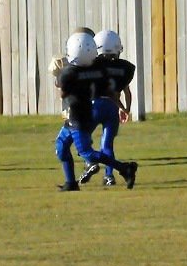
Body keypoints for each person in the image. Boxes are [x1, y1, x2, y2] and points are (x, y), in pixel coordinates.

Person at [54, 32, 138, 191]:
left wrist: (59, 76)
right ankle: (71, 183)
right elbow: (110, 90)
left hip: (79, 117)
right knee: (62, 146)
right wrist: (122, 107)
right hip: (84, 113)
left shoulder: (69, 73)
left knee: (87, 152)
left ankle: (124, 168)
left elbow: (62, 93)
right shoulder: (98, 70)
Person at [77, 29, 135, 187]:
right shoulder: (123, 68)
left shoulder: (94, 66)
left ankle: (91, 162)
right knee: (107, 145)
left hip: (94, 105)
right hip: (112, 109)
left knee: (81, 139)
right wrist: (125, 108)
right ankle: (109, 176)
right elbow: (123, 92)